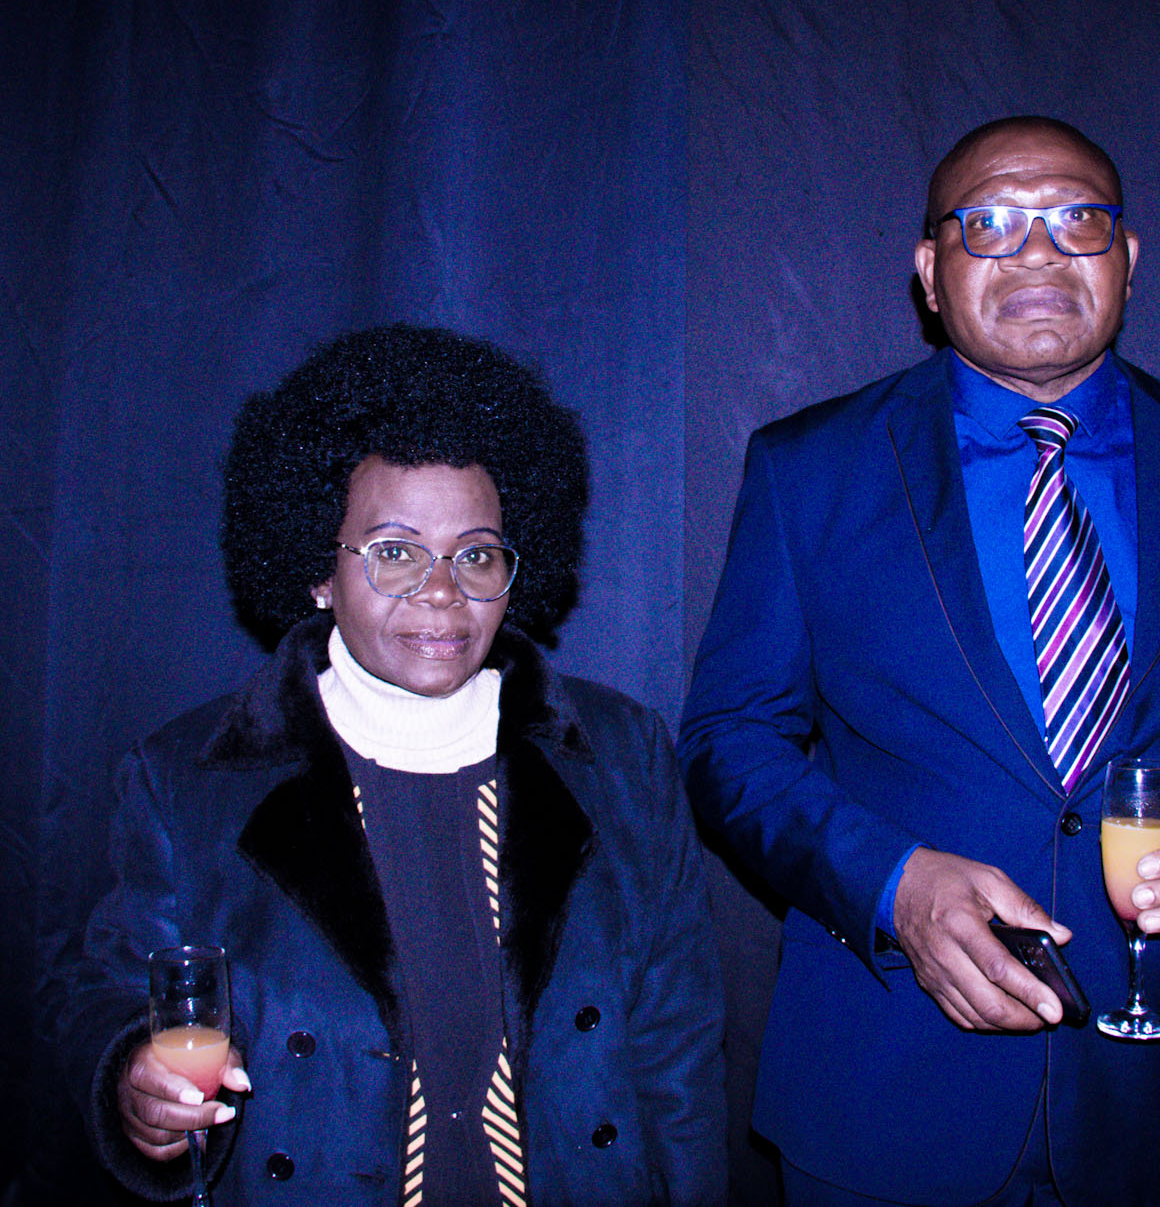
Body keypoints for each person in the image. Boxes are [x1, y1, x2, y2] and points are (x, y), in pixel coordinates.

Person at [679, 116, 1160, 1206]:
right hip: (883, 1092)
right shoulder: (809, 468)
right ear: (928, 271)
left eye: (1078, 219)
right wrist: (892, 884)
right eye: (987, 223)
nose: (1038, 251)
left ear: (1127, 258)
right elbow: (729, 741)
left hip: (1158, 1106)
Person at [57, 323, 726, 1205]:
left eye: (475, 554)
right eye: (396, 552)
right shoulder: (188, 781)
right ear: (319, 569)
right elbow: (106, 994)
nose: (441, 590)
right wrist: (135, 1086)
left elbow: (677, 1057)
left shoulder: (621, 758)